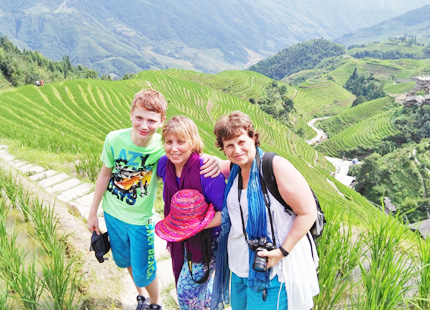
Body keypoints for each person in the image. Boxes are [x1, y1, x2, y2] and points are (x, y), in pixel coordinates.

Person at [86, 89, 221, 310]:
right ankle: (142, 297)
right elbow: (105, 174)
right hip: (113, 214)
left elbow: (188, 154)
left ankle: (156, 303)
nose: (144, 125)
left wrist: (213, 159)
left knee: (145, 269)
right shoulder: (113, 139)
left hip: (141, 221)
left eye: (151, 120)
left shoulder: (164, 147)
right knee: (125, 261)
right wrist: (93, 212)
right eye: (139, 118)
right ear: (131, 114)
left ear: (161, 121)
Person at [211, 111, 320, 310]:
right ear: (223, 149)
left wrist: (282, 251)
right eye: (229, 145)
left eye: (241, 141)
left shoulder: (274, 167)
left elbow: (308, 212)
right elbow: (206, 161)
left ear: (253, 138)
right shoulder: (234, 170)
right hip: (239, 266)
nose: (237, 150)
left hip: (274, 268)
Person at [155, 115, 226, 310]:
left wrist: (193, 226)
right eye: (169, 142)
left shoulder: (206, 171)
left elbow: (227, 213)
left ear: (192, 142)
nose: (174, 148)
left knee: (189, 293)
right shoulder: (163, 165)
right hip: (180, 239)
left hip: (208, 242)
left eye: (181, 142)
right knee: (189, 287)